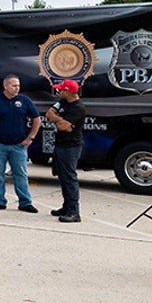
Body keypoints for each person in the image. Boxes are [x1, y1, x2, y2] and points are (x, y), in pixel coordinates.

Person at [0, 74, 41, 212]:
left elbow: (36, 119)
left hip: (19, 145)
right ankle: (0, 200)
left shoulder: (24, 101)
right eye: (14, 85)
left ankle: (25, 202)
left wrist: (30, 137)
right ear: (5, 86)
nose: (17, 88)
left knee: (21, 174)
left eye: (18, 85)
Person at [45, 79, 87, 223]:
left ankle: (74, 212)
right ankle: (66, 206)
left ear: (68, 92)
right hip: (60, 144)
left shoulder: (78, 108)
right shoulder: (62, 102)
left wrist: (59, 121)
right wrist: (60, 120)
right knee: (62, 177)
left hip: (71, 146)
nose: (59, 91)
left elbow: (63, 126)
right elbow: (49, 113)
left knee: (69, 178)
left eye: (61, 90)